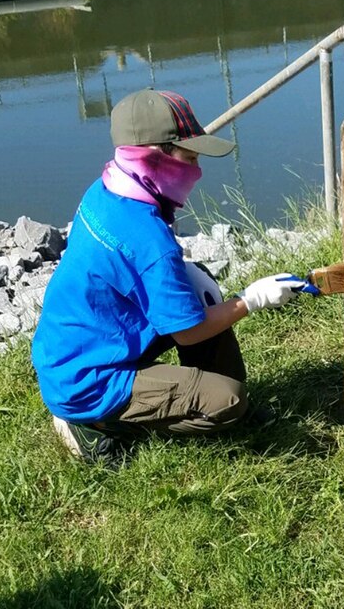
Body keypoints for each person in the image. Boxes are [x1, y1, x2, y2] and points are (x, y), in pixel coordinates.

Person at [31, 88, 315, 464]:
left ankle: (209, 394)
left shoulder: (107, 189)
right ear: (153, 157)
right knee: (226, 402)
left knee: (201, 294)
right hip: (86, 380)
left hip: (70, 347)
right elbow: (188, 332)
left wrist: (192, 281)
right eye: (189, 157)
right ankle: (92, 426)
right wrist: (253, 300)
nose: (196, 170)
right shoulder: (149, 241)